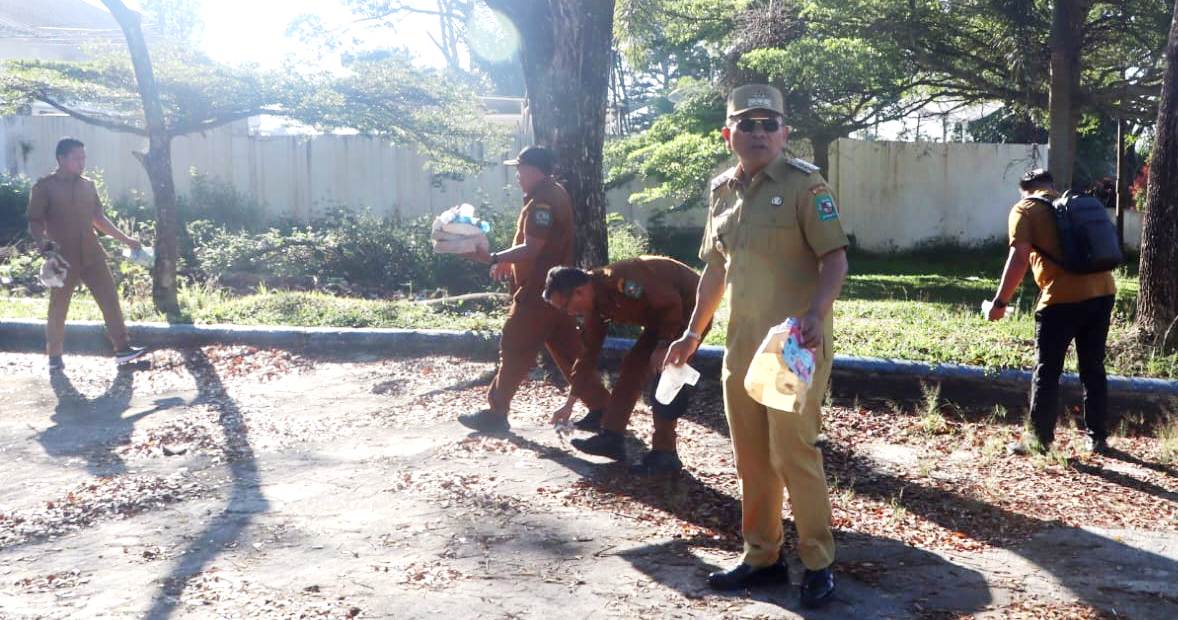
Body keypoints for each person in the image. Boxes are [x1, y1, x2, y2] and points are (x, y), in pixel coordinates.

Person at [663, 84, 849, 608]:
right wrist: (693, 332)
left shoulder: (805, 186)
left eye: (770, 123)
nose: (760, 132)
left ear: (785, 133)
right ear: (729, 135)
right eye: (748, 123)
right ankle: (761, 555)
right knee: (749, 457)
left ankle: (817, 561)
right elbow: (715, 268)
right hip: (741, 347)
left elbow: (834, 257)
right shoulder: (723, 191)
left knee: (793, 452)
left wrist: (816, 314)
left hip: (793, 346)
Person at [457, 145, 608, 433]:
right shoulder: (553, 193)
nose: (516, 175)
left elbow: (532, 247)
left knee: (515, 347)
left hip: (539, 294)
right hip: (557, 292)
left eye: (519, 168)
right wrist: (508, 265)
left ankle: (496, 412)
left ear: (533, 169)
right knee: (569, 351)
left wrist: (493, 257)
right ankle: (602, 408)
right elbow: (537, 246)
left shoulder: (543, 201)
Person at [987, 168, 1117, 455]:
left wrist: (999, 304)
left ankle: (1039, 441)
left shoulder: (1025, 208)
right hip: (1104, 291)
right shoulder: (1074, 205)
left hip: (1060, 298)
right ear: (1051, 186)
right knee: (1093, 367)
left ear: (1026, 188)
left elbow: (1019, 258)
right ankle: (1098, 438)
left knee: (1047, 371)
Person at [542, 256, 705, 475]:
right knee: (632, 366)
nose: (568, 313)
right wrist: (569, 403)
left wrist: (665, 345)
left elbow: (671, 303)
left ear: (580, 291)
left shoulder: (620, 280)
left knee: (667, 376)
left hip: (690, 311)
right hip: (660, 318)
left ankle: (665, 454)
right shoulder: (595, 304)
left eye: (566, 306)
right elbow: (588, 356)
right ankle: (612, 438)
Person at [26, 138, 147, 371]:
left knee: (110, 299)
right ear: (61, 159)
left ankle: (122, 349)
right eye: (76, 158)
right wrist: (43, 244)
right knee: (59, 306)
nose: (82, 162)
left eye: (84, 158)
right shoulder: (44, 187)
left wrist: (127, 240)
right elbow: (34, 221)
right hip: (61, 257)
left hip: (92, 254)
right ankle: (54, 356)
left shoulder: (88, 185)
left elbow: (99, 219)